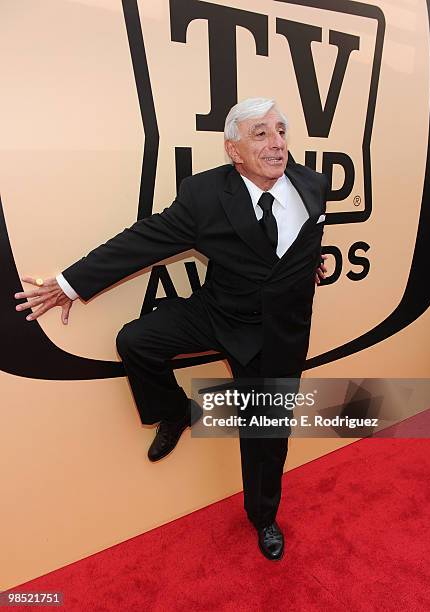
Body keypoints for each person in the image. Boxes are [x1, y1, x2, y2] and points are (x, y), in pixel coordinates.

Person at [14, 98, 328, 561]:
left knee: (265, 436)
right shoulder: (204, 196)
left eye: (281, 131)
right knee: (135, 341)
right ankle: (175, 410)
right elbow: (143, 241)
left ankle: (264, 517)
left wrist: (309, 264)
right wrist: (68, 284)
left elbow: (306, 237)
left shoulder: (313, 184)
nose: (277, 144)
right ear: (234, 150)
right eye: (261, 134)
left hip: (279, 332)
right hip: (219, 311)